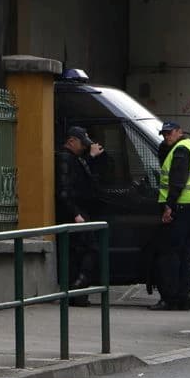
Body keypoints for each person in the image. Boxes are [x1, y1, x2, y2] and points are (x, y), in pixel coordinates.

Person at [151, 121, 190, 311]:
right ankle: (182, 299)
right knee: (184, 255)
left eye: (170, 133)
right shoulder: (186, 146)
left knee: (169, 255)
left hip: (178, 209)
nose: (166, 137)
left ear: (179, 131)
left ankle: (170, 299)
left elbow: (177, 181)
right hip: (189, 208)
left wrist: (169, 207)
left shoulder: (180, 150)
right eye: (164, 134)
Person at [55, 126, 109, 305]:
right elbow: (64, 189)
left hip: (79, 210)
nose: (84, 147)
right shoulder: (65, 158)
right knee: (87, 249)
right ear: (71, 141)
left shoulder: (75, 159)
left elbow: (84, 179)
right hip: (75, 212)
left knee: (81, 252)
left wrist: (91, 157)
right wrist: (75, 213)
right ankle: (77, 289)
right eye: (81, 143)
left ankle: (78, 292)